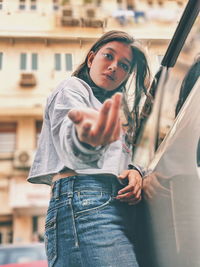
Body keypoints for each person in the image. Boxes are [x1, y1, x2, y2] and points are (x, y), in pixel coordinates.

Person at [27, 30, 150, 267]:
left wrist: (135, 171)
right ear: (92, 59)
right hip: (86, 202)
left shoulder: (114, 111)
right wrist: (86, 140)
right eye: (108, 56)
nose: (114, 67)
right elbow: (70, 136)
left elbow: (123, 158)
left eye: (124, 65)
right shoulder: (72, 88)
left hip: (113, 204)